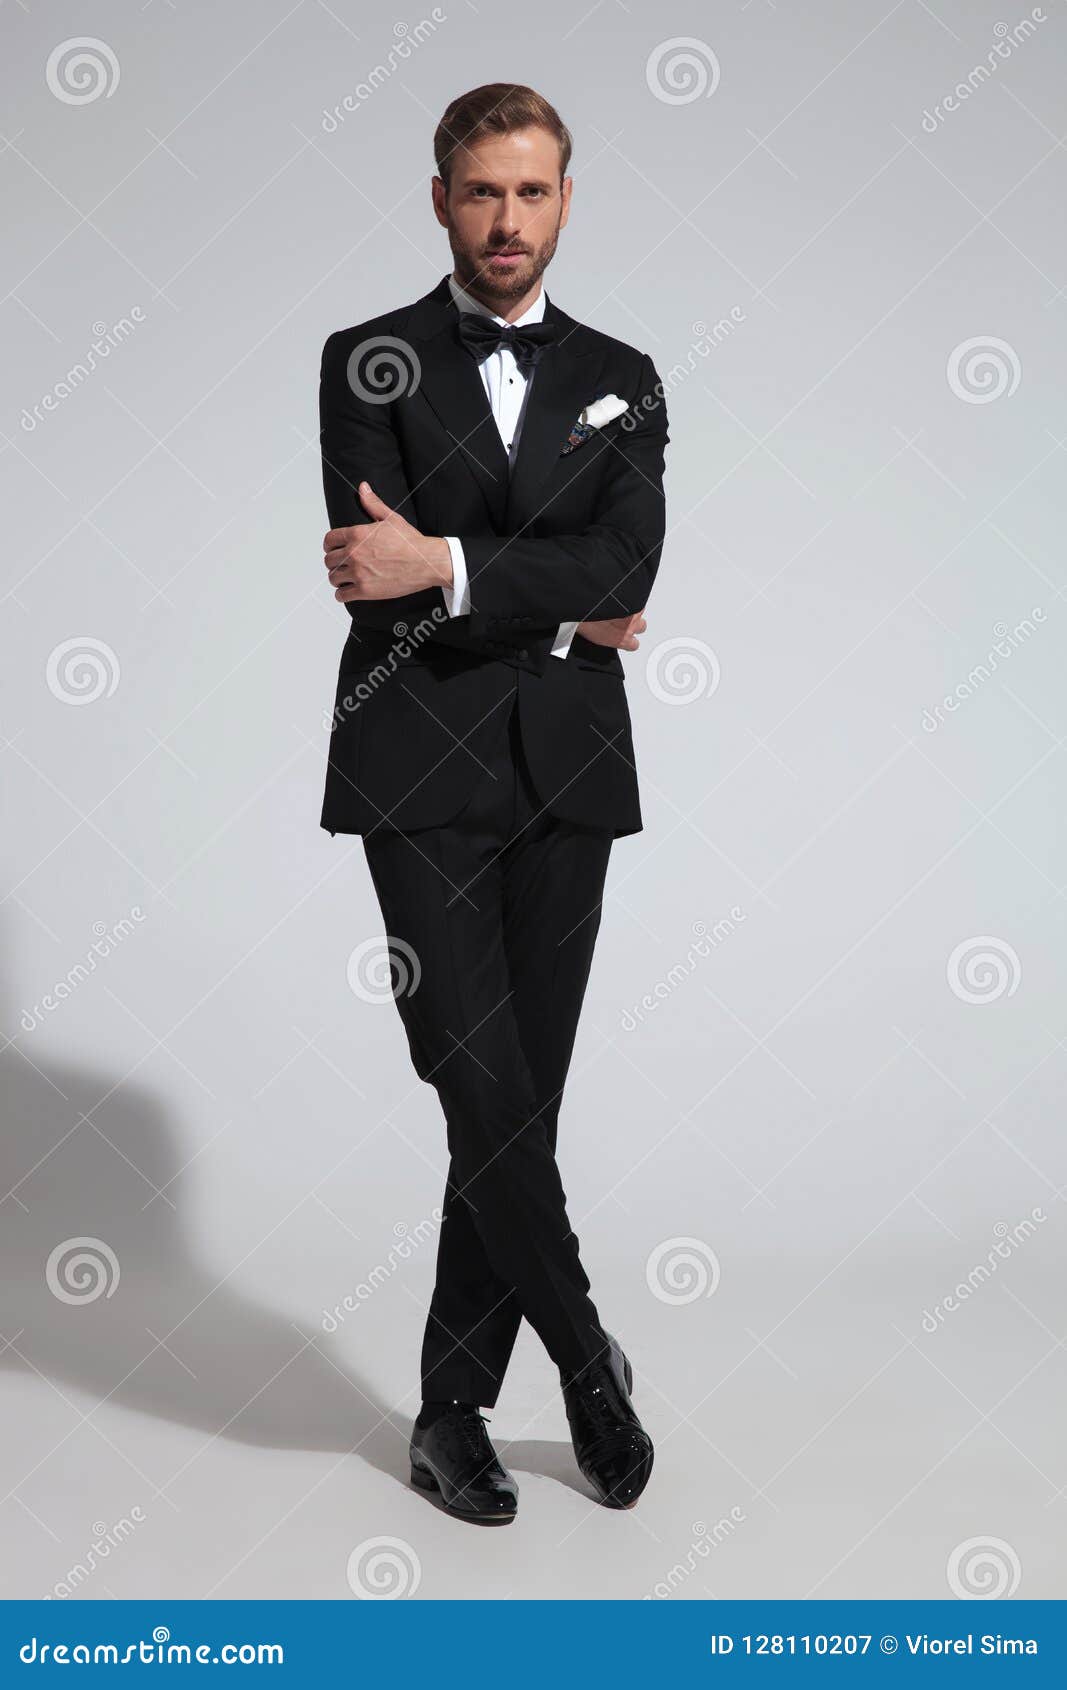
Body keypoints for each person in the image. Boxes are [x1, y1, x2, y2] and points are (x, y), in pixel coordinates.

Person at [318, 83, 668, 1523]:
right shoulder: (371, 360)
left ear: (566, 200)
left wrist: (454, 571)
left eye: (532, 193)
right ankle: (589, 1363)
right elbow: (364, 567)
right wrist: (548, 597)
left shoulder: (624, 371)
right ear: (442, 199)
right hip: (415, 769)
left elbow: (628, 569)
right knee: (479, 1080)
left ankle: (450, 1411)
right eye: (482, 192)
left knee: (521, 1101)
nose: (507, 220)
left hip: (570, 773)